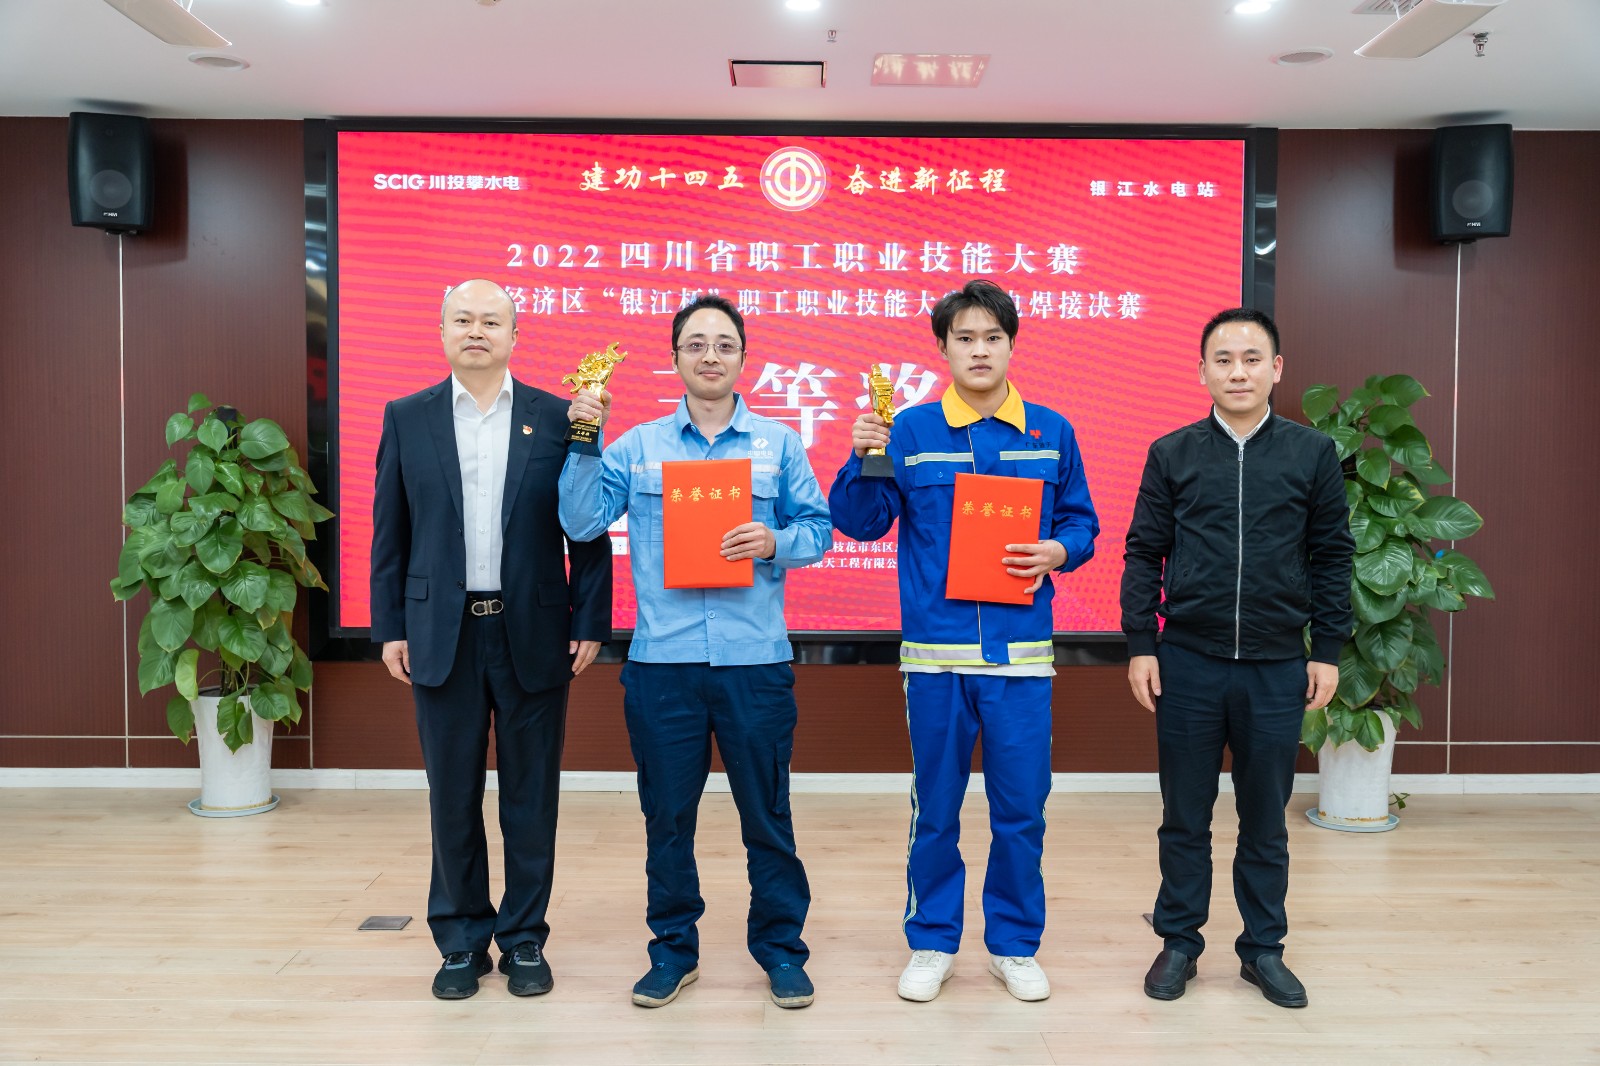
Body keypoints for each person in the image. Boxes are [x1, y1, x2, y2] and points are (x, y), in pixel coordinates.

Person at [830, 278, 1099, 1004]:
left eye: (993, 337)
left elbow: (1081, 522)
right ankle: (932, 941)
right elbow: (860, 523)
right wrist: (862, 456)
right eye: (965, 338)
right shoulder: (910, 431)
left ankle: (1014, 946)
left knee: (1022, 811)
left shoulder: (1050, 431)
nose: (980, 350)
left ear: (1012, 345)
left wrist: (1059, 551)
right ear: (944, 349)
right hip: (936, 661)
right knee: (937, 811)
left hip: (1021, 661)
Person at [559, 293, 831, 1010]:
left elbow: (818, 531)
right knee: (667, 819)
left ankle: (781, 949)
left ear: (744, 357)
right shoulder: (636, 445)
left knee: (767, 816)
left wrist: (774, 541)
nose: (711, 355)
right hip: (664, 665)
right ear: (675, 357)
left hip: (755, 664)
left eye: (724, 344)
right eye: (696, 344)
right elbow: (580, 521)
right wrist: (585, 437)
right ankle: (673, 950)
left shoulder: (779, 443)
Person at [370, 279, 613, 1000]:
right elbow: (390, 531)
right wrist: (390, 627)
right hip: (440, 632)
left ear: (514, 335)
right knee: (452, 793)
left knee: (531, 795)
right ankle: (460, 941)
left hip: (533, 628)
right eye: (463, 319)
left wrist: (590, 620)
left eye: (491, 321)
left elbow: (586, 527)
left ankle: (525, 937)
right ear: (442, 330)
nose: (476, 331)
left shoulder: (557, 416)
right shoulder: (407, 416)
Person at [1121, 307, 1354, 1010]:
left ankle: (1263, 949)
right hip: (1188, 662)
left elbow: (1332, 555)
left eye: (1252, 358)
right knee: (1184, 815)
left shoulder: (1312, 453)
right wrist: (1141, 645)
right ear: (1202, 372)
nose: (1238, 372)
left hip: (1277, 666)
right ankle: (1179, 942)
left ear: (1276, 369)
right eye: (1223, 360)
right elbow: (1143, 552)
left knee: (1265, 818)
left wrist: (1327, 650)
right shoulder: (1173, 453)